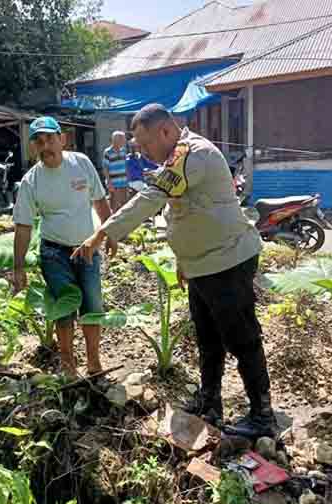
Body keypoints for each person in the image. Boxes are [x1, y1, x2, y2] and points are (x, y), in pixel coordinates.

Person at [72, 104, 276, 438]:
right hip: (203, 264)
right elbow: (184, 211)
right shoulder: (176, 159)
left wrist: (103, 232)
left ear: (165, 131)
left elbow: (152, 198)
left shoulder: (190, 153)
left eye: (144, 143)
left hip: (227, 260)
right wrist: (184, 260)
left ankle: (262, 415)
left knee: (242, 338)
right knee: (208, 338)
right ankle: (210, 401)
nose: (141, 151)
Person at [13, 116, 117, 378]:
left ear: (62, 139)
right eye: (38, 141)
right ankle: (68, 365)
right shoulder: (31, 181)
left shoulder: (80, 163)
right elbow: (23, 226)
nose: (45, 145)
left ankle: (94, 363)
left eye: (50, 139)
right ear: (33, 147)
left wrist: (111, 232)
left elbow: (99, 200)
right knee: (65, 307)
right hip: (54, 252)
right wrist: (18, 267)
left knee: (93, 306)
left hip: (88, 248)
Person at [103, 131, 128, 212]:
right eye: (122, 140)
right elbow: (105, 168)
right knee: (114, 206)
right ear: (116, 140)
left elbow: (125, 165)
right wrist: (109, 182)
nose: (124, 141)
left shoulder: (123, 151)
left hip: (123, 182)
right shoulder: (107, 152)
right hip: (114, 183)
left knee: (124, 204)